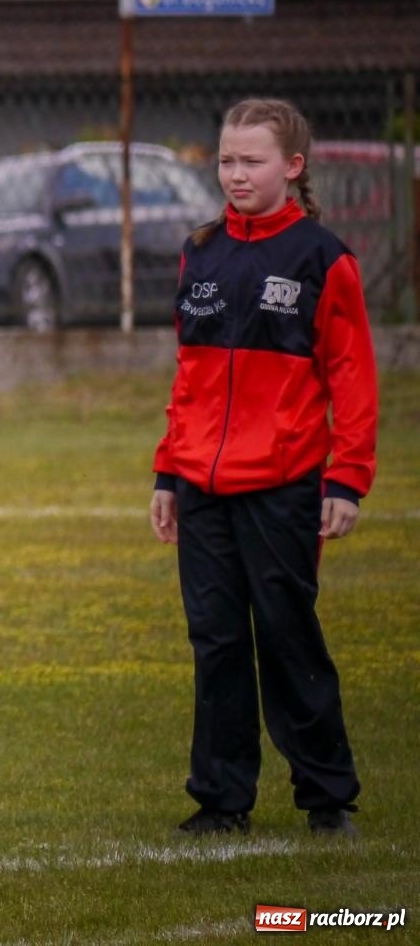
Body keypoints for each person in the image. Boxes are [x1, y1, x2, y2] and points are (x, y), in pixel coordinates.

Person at [149, 97, 376, 840]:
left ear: (293, 167)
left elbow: (353, 376)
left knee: (285, 635)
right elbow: (189, 376)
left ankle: (326, 795)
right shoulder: (200, 251)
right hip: (202, 487)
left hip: (283, 486)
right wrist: (167, 472)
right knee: (214, 642)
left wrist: (347, 479)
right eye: (226, 160)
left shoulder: (323, 258)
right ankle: (221, 800)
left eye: (252, 161)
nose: (236, 174)